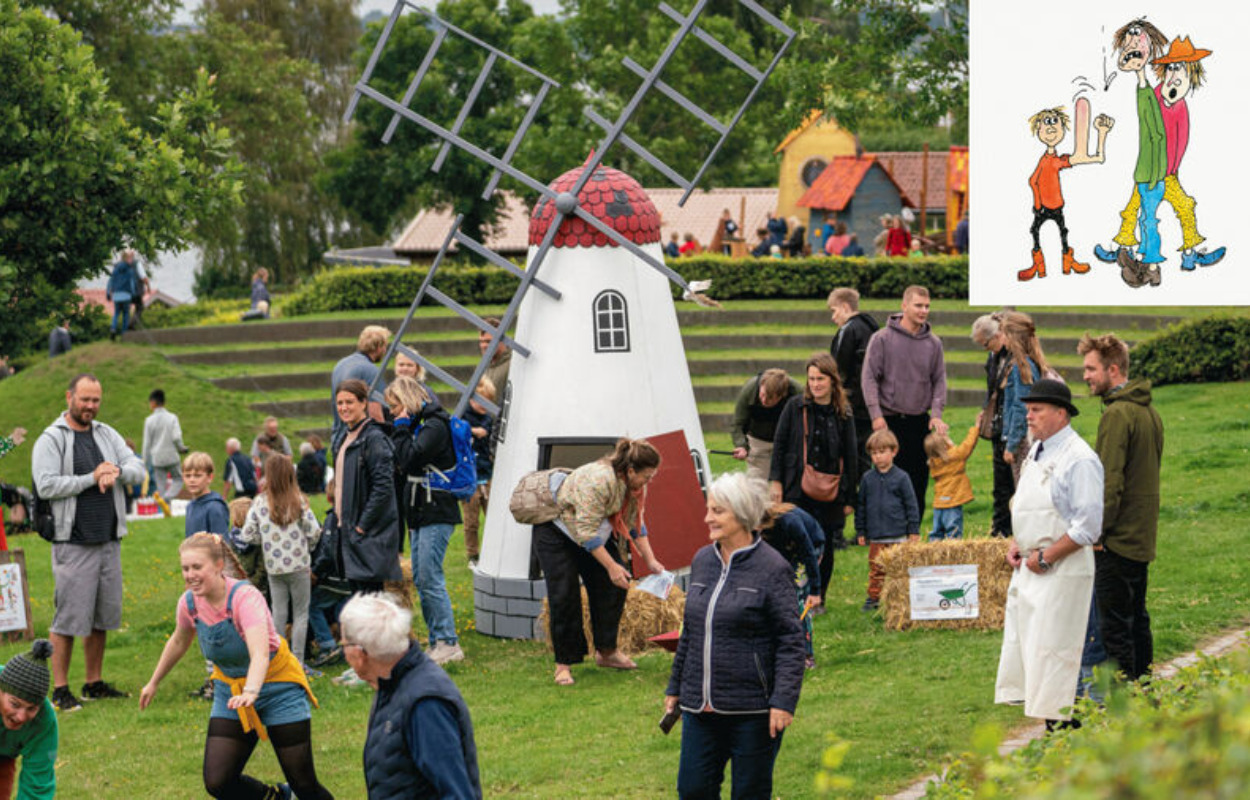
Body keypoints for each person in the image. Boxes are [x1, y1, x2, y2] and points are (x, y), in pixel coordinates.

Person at [140, 534, 332, 799]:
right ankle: (276, 797)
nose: (190, 575)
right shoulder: (189, 603)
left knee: (304, 784)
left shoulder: (245, 598)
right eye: (185, 568)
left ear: (218, 565)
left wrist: (252, 691)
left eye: (197, 567)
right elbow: (179, 640)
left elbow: (259, 654)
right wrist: (153, 682)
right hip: (231, 692)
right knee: (218, 781)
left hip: (279, 688)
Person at [665, 473, 805, 799]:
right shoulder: (702, 561)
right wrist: (675, 687)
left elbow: (790, 641)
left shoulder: (773, 568)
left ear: (741, 515)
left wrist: (783, 702)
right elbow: (691, 631)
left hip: (753, 711)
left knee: (748, 793)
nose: (707, 518)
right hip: (699, 708)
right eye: (708, 509)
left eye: (717, 511)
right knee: (693, 790)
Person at [32, 373, 145, 711]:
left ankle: (93, 683)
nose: (90, 406)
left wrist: (117, 472)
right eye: (85, 399)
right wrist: (91, 478)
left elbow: (138, 468)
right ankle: (60, 690)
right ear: (69, 397)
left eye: (96, 400)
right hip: (73, 541)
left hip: (108, 539)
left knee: (101, 617)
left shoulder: (106, 434)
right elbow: (46, 485)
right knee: (68, 618)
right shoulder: (51, 439)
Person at [995, 379, 1103, 726]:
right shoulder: (1037, 451)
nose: (1029, 416)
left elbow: (1088, 527)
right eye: (1028, 410)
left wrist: (1046, 557)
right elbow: (1031, 506)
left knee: (1061, 658)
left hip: (1063, 573)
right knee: (1036, 657)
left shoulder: (1079, 458)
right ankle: (1054, 735)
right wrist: (1019, 543)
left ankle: (1072, 736)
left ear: (1061, 413)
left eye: (1037, 410)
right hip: (1032, 572)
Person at [534, 438, 665, 686]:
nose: (648, 482)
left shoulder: (635, 486)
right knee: (565, 593)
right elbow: (585, 531)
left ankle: (607, 651)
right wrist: (612, 566)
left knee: (614, 585)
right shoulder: (599, 480)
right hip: (557, 531)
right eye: (647, 476)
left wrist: (651, 561)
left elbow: (635, 523)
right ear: (630, 471)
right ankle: (564, 664)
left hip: (593, 531)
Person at [336, 594, 480, 799]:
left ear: (359, 654)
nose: (343, 652)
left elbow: (457, 794)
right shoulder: (392, 683)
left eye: (343, 644)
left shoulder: (426, 704)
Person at [1079, 333, 1163, 682]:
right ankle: (1145, 693)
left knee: (1115, 630)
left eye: (1091, 369)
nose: (1085, 375)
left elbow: (1109, 482)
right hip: (1141, 535)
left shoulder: (1117, 414)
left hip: (1117, 539)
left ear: (1113, 370)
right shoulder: (1149, 411)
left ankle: (1126, 704)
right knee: (1137, 620)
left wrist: (1096, 532)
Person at [769, 353, 858, 611]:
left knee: (824, 544)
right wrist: (775, 481)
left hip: (830, 490)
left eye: (821, 379)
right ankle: (790, 596)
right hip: (797, 487)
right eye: (811, 379)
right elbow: (779, 445)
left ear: (832, 381)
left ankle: (819, 598)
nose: (816, 384)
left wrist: (850, 498)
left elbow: (851, 454)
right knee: (791, 541)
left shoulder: (844, 412)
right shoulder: (794, 407)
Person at [385, 376, 464, 666]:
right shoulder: (421, 425)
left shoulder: (434, 426)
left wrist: (401, 428)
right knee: (420, 577)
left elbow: (408, 459)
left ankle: (448, 642)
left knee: (430, 576)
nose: (392, 413)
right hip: (420, 510)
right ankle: (436, 640)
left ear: (407, 402)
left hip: (436, 509)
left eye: (395, 406)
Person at [1091, 19, 1169, 287]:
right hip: (1144, 172)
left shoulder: (1148, 94)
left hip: (1151, 174)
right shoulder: (1142, 89)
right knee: (1140, 216)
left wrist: (1156, 173)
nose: (1130, 49)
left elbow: (1157, 135)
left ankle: (1152, 266)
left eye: (1136, 43)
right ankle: (1140, 258)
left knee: (1149, 220)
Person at [861, 285, 948, 515]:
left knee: (917, 483)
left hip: (919, 422)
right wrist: (876, 415)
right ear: (904, 306)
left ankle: (913, 532)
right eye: (918, 305)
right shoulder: (881, 339)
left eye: (927, 306)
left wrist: (936, 414)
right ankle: (885, 531)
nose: (923, 311)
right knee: (887, 482)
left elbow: (939, 380)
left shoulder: (934, 344)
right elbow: (869, 378)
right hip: (889, 422)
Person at [1148, 37, 1224, 274]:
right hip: (1149, 172)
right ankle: (1122, 248)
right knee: (1138, 212)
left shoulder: (1181, 107)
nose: (1173, 73)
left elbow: (1181, 142)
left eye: (1179, 67)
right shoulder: (1155, 96)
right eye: (1170, 67)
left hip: (1169, 175)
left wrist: (1172, 170)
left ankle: (1190, 255)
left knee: (1186, 207)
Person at [238, 455, 322, 669]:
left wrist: (265, 541)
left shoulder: (259, 502)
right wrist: (308, 547)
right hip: (299, 565)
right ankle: (298, 661)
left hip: (274, 567)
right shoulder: (299, 501)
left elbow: (247, 535)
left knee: (278, 613)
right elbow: (314, 531)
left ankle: (278, 661)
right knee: (301, 613)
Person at [1018, 104, 1111, 281]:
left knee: (1061, 232)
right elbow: (1032, 180)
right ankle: (1040, 266)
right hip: (1044, 207)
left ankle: (1064, 263)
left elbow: (1096, 158)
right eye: (1047, 124)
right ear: (1039, 129)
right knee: (1037, 231)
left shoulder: (1057, 160)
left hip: (1055, 206)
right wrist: (1037, 204)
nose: (1051, 128)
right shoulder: (1047, 160)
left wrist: (1102, 134)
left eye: (1055, 123)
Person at [331, 379, 401, 593]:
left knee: (370, 600)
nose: (344, 408)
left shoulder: (374, 439)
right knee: (357, 599)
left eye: (349, 402)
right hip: (347, 530)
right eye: (340, 403)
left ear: (363, 403)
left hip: (365, 534)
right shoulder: (344, 438)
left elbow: (383, 487)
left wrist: (362, 525)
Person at [855, 429, 920, 611]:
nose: (878, 457)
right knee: (876, 569)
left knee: (900, 568)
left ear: (894, 452)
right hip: (876, 537)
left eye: (882, 452)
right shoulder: (867, 479)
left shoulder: (902, 477)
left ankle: (903, 598)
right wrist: (860, 531)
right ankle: (874, 597)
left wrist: (913, 530)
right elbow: (861, 506)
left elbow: (911, 505)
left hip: (898, 535)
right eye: (874, 453)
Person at [759, 503, 824, 669]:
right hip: (786, 549)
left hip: (810, 547)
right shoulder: (759, 532)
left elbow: (808, 553)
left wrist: (815, 591)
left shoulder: (790, 521)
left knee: (799, 598)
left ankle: (807, 655)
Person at [828, 287, 880, 483]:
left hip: (851, 406)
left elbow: (837, 371)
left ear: (844, 307)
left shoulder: (848, 330)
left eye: (834, 311)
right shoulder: (873, 328)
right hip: (871, 404)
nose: (833, 317)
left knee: (849, 457)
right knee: (865, 456)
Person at [971, 314, 1014, 538]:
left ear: (997, 336)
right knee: (1000, 485)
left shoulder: (1015, 358)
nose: (985, 348)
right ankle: (1000, 531)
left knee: (1015, 483)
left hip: (1012, 426)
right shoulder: (993, 357)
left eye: (986, 344)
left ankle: (1014, 529)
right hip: (998, 426)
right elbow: (992, 390)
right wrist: (986, 408)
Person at [998, 312, 1053, 483]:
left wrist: (1011, 444)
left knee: (1025, 488)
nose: (1001, 339)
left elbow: (1021, 406)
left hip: (1023, 440)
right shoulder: (1032, 363)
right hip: (1030, 436)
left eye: (1003, 334)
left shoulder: (1020, 367)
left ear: (1012, 337)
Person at [0, 640, 58, 798]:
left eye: (31, 708)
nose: (21, 717)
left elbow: (37, 785)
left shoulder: (44, 721)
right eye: (14, 704)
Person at [729, 369, 801, 482]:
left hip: (787, 443)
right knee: (758, 485)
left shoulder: (797, 392)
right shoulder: (750, 389)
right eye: (762, 394)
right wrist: (741, 446)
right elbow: (738, 423)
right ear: (761, 385)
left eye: (770, 398)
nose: (764, 400)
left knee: (790, 483)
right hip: (758, 442)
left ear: (782, 395)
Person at [331, 326, 391, 442]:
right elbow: (375, 413)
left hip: (338, 438)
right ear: (379, 347)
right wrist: (385, 441)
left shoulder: (340, 365)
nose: (385, 351)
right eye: (385, 346)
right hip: (358, 441)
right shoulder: (370, 370)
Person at [461, 378, 496, 569]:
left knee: (493, 517)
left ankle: (494, 552)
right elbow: (455, 431)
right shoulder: (463, 417)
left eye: (488, 401)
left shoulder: (489, 419)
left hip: (487, 474)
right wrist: (472, 431)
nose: (484, 405)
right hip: (470, 478)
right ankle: (473, 554)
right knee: (471, 520)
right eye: (480, 401)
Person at [924, 421, 979, 541]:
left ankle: (934, 550)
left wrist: (942, 439)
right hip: (952, 503)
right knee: (953, 533)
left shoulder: (933, 462)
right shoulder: (954, 457)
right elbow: (967, 446)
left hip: (939, 503)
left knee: (936, 533)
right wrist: (976, 428)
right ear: (944, 447)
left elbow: (946, 452)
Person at [142, 388, 187, 500]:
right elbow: (176, 437)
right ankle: (167, 498)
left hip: (157, 459)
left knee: (160, 487)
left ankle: (163, 503)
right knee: (178, 479)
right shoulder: (172, 418)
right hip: (172, 456)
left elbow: (147, 445)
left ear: (153, 403)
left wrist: (145, 464)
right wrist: (181, 448)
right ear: (164, 402)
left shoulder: (149, 420)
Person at [184, 452, 231, 537]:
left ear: (210, 477)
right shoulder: (190, 506)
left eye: (197, 476)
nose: (192, 480)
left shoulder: (215, 507)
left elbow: (222, 542)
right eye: (187, 476)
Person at [106, 250, 139, 339]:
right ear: (127, 259)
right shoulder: (130, 270)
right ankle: (124, 333)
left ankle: (113, 329)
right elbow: (132, 283)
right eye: (130, 258)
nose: (132, 260)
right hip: (126, 295)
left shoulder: (115, 269)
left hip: (116, 295)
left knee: (116, 313)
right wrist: (134, 295)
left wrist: (108, 293)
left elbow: (110, 281)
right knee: (126, 314)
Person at [479, 318, 511, 399]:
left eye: (488, 341)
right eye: (481, 341)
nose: (483, 346)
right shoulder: (483, 366)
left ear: (502, 341)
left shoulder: (512, 366)